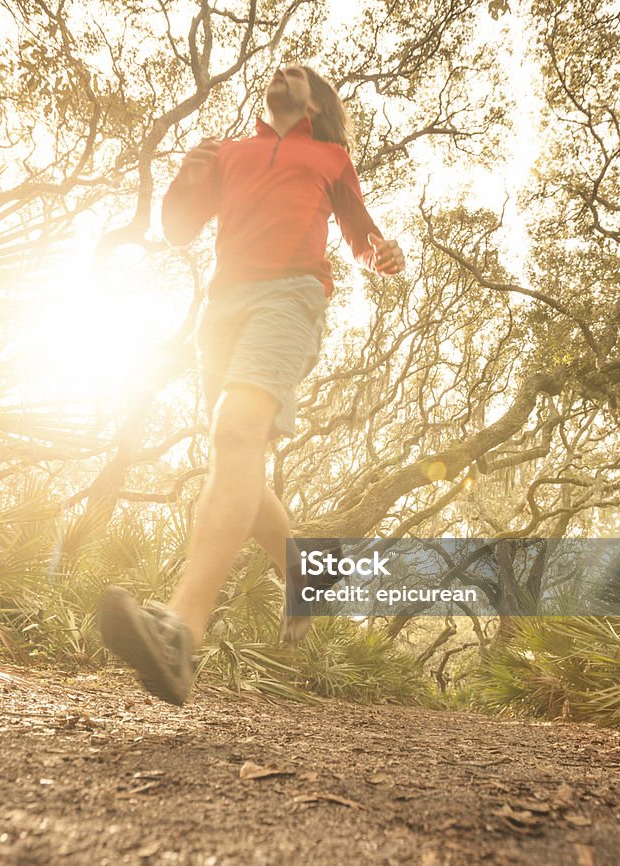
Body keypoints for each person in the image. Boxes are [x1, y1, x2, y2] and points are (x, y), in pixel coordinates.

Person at [97, 63, 405, 705]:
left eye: (299, 69)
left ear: (314, 101)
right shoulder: (227, 152)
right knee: (234, 453)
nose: (284, 68)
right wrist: (188, 172)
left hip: (290, 298)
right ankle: (305, 571)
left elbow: (359, 236)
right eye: (277, 66)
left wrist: (382, 254)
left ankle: (180, 630)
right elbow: (180, 229)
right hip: (224, 308)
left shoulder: (331, 156)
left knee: (236, 432)